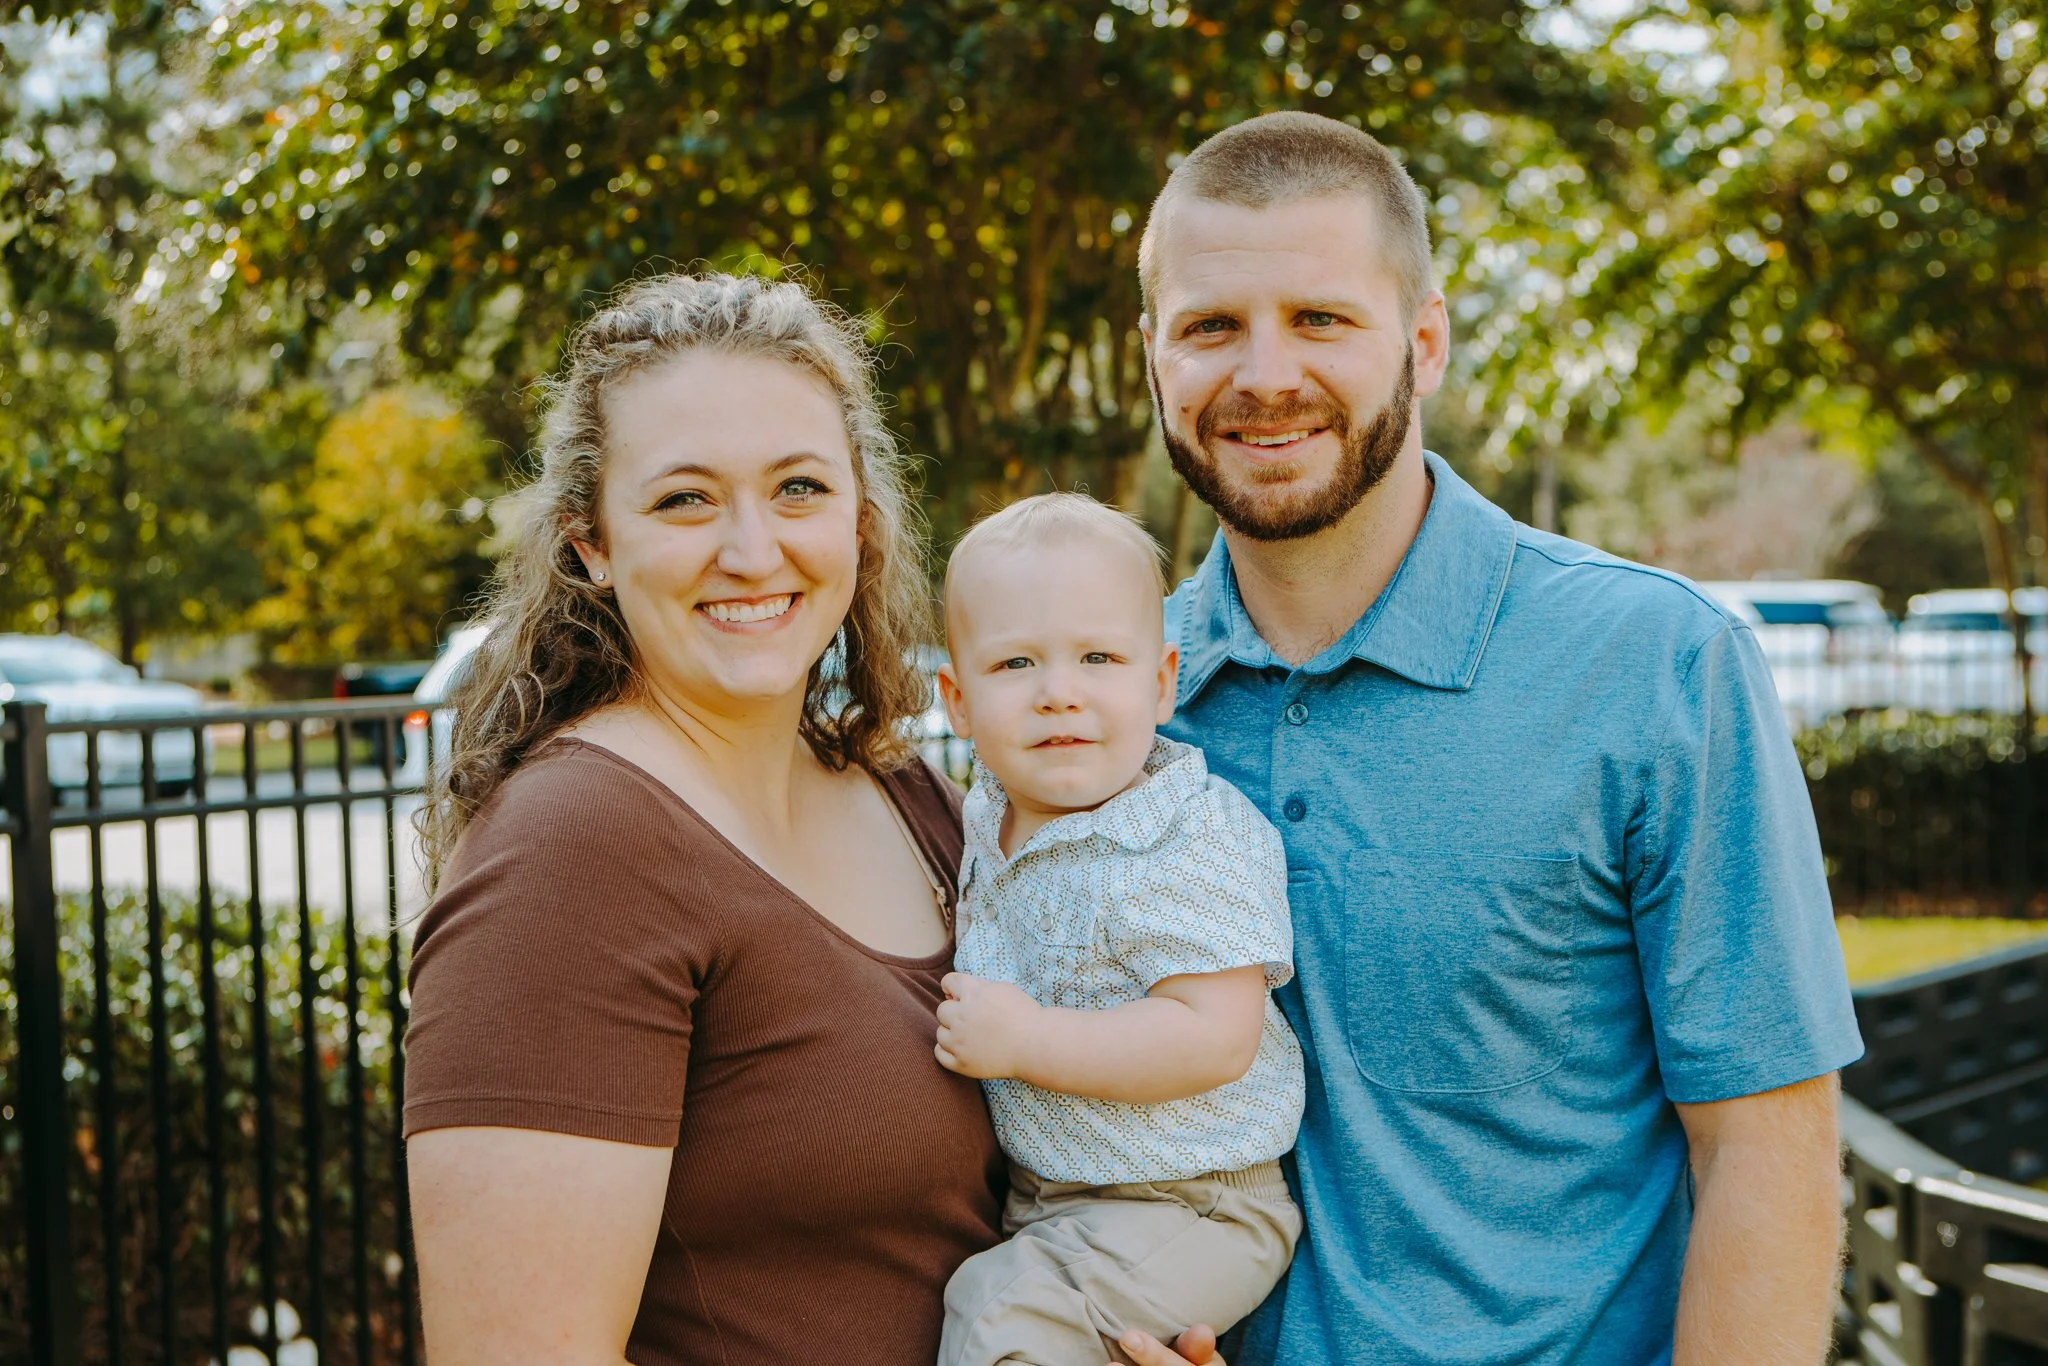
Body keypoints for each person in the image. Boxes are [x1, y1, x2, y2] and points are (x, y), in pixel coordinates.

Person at [1120, 111, 1864, 1366]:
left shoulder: (1656, 664)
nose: (1262, 375)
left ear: (1424, 341)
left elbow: (1765, 1148)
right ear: (1149, 354)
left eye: (1319, 318)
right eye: (1209, 327)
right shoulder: (1105, 707)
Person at [400, 272, 1005, 1366]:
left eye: (799, 488)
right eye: (685, 499)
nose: (753, 550)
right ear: (590, 542)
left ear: (859, 520)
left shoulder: (912, 798)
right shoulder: (573, 850)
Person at [930, 493, 1305, 1365]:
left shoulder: (1189, 832)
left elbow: (1215, 1037)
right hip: (1055, 1199)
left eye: (1099, 657)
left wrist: (1029, 1039)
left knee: (1002, 1321)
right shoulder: (978, 820)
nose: (1060, 694)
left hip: (1196, 1200)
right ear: (957, 700)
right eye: (1016, 663)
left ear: (1161, 681)